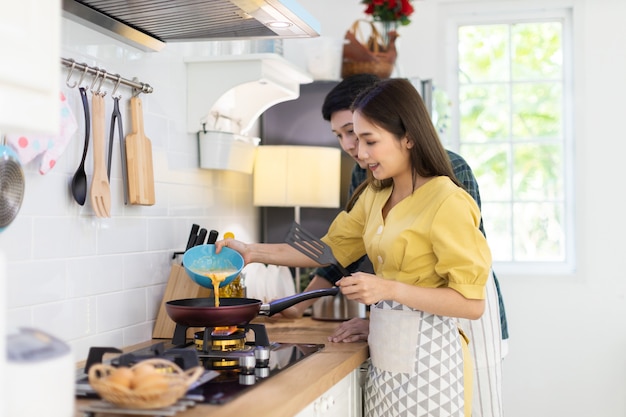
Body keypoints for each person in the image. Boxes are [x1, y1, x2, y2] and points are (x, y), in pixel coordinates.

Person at [217, 78, 491, 417]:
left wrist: (386, 289)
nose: (359, 153)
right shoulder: (375, 195)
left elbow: (471, 303)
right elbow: (327, 251)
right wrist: (252, 252)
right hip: (385, 355)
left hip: (430, 364)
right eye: (355, 139)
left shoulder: (446, 200)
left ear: (408, 136)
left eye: (369, 141)